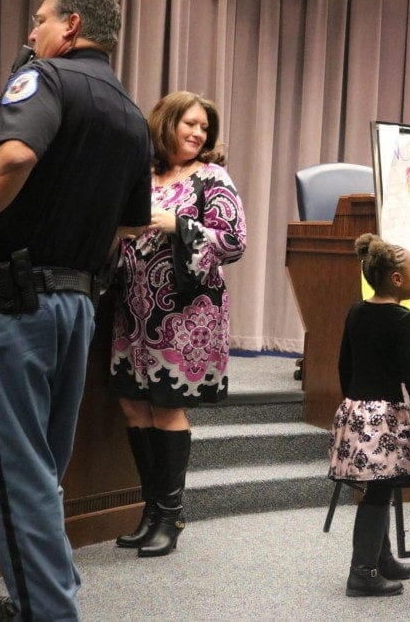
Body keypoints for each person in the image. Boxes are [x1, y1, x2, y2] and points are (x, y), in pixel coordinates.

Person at [0, 0, 152, 619]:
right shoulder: (131, 112)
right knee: (39, 472)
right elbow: (132, 223)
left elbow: (12, 159)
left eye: (41, 19)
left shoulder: (46, 80)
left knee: (16, 473)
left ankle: (52, 612)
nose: (32, 33)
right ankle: (47, 598)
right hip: (76, 308)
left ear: (72, 26)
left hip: (16, 308)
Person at [110, 91, 246, 558]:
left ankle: (171, 516)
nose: (197, 133)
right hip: (134, 306)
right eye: (189, 123)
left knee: (166, 405)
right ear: (165, 123)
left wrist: (178, 224)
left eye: (204, 127)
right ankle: (151, 511)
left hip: (186, 313)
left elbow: (234, 240)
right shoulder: (140, 172)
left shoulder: (212, 177)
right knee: (133, 404)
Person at [329, 233, 410, 597]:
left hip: (357, 411)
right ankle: (362, 572)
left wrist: (353, 404)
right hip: (385, 416)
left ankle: (383, 557)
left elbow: (344, 365)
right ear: (397, 279)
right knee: (378, 491)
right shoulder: (403, 318)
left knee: (381, 483)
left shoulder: (355, 311)